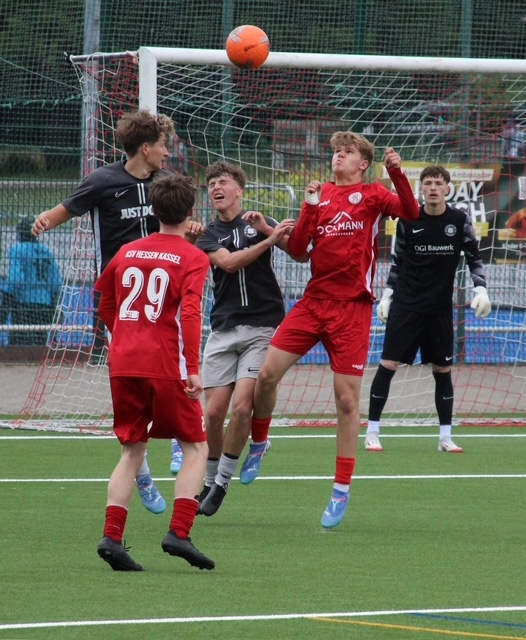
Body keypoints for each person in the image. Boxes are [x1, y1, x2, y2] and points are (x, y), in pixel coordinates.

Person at [247, 131, 421, 529]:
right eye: (336, 152)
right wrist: (309, 207)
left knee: (346, 401)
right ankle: (259, 441)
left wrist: (397, 173)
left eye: (347, 152)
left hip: (352, 310)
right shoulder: (320, 194)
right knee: (266, 375)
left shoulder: (374, 194)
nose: (338, 156)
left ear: (363, 163)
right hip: (313, 303)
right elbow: (298, 250)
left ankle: (341, 487)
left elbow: (411, 213)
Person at [31, 109, 183, 515]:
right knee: (133, 388)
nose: (168, 152)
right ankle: (142, 473)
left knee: (179, 366)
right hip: (122, 302)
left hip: (162, 295)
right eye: (163, 145)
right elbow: (65, 210)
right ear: (146, 148)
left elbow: (181, 225)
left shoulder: (165, 184)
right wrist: (45, 221)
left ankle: (180, 440)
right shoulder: (103, 181)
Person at [94, 172, 214, 572]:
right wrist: (193, 368)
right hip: (165, 364)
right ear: (191, 210)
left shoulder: (127, 250)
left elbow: (105, 303)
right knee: (196, 447)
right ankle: (179, 532)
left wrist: (125, 338)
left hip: (124, 363)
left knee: (132, 450)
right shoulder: (193, 257)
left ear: (153, 209)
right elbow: (191, 314)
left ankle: (112, 538)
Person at [195, 161, 304, 517]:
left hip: (261, 327)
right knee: (213, 413)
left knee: (242, 407)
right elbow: (228, 263)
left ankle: (221, 484)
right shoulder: (207, 234)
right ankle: (208, 481)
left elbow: (300, 254)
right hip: (223, 329)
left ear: (240, 190)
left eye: (223, 182)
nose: (216, 187)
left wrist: (272, 232)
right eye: (211, 183)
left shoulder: (261, 222)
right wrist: (268, 240)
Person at [365, 165, 492, 453]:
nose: (433, 188)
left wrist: (481, 290)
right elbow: (397, 262)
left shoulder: (459, 220)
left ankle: (445, 437)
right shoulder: (408, 219)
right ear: (420, 188)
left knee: (442, 370)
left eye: (438, 183)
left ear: (447, 188)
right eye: (428, 183)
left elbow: (474, 258)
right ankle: (372, 431)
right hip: (406, 305)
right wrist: (387, 296)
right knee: (388, 365)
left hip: (439, 309)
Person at [2, 217, 62, 346]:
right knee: (40, 343)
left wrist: (6, 300)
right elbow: (56, 283)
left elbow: (16, 279)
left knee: (19, 343)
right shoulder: (46, 252)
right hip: (45, 305)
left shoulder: (18, 250)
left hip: (24, 304)